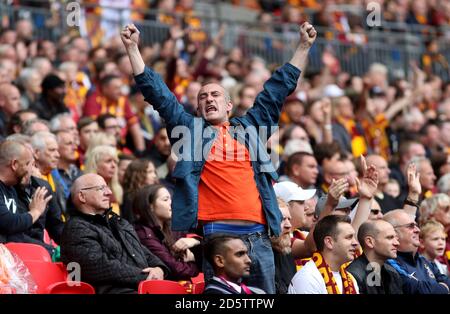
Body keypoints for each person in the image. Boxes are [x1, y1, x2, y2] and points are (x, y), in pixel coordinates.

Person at [121, 22, 317, 294]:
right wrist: (133, 49)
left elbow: (276, 92)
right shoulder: (190, 131)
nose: (209, 99)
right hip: (218, 237)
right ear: (198, 107)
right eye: (203, 97)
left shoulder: (250, 128)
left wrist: (303, 47)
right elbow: (160, 97)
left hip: (259, 237)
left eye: (215, 95)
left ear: (229, 105)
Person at [60, 173, 168, 294]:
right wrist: (147, 278)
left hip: (141, 287)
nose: (109, 192)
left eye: (107, 187)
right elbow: (101, 267)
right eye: (101, 188)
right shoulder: (76, 228)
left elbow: (143, 252)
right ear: (82, 196)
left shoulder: (118, 223)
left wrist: (159, 269)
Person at [133, 184, 201, 281]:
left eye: (171, 199)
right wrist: (197, 262)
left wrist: (195, 242)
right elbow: (176, 269)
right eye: (165, 200)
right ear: (150, 206)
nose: (172, 203)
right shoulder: (144, 234)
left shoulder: (172, 227)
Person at [288, 215, 359, 294]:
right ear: (329, 242)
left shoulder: (350, 279)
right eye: (349, 237)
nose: (355, 243)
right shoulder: (308, 278)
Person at [384, 209, 450, 294]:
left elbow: (447, 282)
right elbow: (415, 289)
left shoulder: (423, 260)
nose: (418, 230)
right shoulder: (389, 263)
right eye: (411, 226)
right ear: (393, 233)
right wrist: (443, 288)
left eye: (416, 225)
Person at [0, 140, 51, 243]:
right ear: (14, 164)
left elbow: (20, 233)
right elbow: (10, 223)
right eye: (28, 164)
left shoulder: (12, 189)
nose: (31, 170)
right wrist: (35, 211)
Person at [346, 220, 403, 294]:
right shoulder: (354, 276)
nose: (397, 243)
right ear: (370, 242)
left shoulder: (392, 272)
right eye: (389, 238)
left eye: (396, 238)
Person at [84, 145, 122, 215]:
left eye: (115, 162)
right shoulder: (86, 190)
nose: (113, 165)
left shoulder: (116, 190)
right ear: (95, 164)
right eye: (108, 161)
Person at [271, 198, 296, 294]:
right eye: (281, 219)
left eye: (289, 219)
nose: (288, 225)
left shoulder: (287, 253)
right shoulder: (258, 260)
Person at [121, 158, 158, 223]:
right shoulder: (130, 198)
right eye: (150, 172)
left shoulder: (154, 194)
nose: (154, 176)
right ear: (138, 174)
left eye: (154, 172)